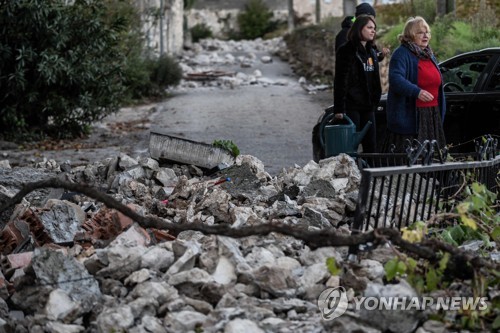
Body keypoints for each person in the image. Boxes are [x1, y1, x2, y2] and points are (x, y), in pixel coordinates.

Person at [382, 16, 446, 153]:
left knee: (433, 158)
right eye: (420, 32)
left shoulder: (428, 54)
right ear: (410, 35)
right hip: (413, 116)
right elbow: (396, 79)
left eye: (427, 32)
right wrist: (417, 92)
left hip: (432, 114)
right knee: (412, 160)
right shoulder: (401, 54)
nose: (425, 36)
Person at [333, 14, 382, 154]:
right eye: (369, 28)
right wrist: (339, 109)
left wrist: (375, 99)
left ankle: (369, 175)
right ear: (359, 29)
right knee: (349, 148)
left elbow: (374, 79)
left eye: (374, 28)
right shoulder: (346, 50)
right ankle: (349, 175)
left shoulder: (371, 52)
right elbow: (340, 80)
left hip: (368, 106)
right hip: (352, 106)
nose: (373, 31)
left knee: (371, 146)